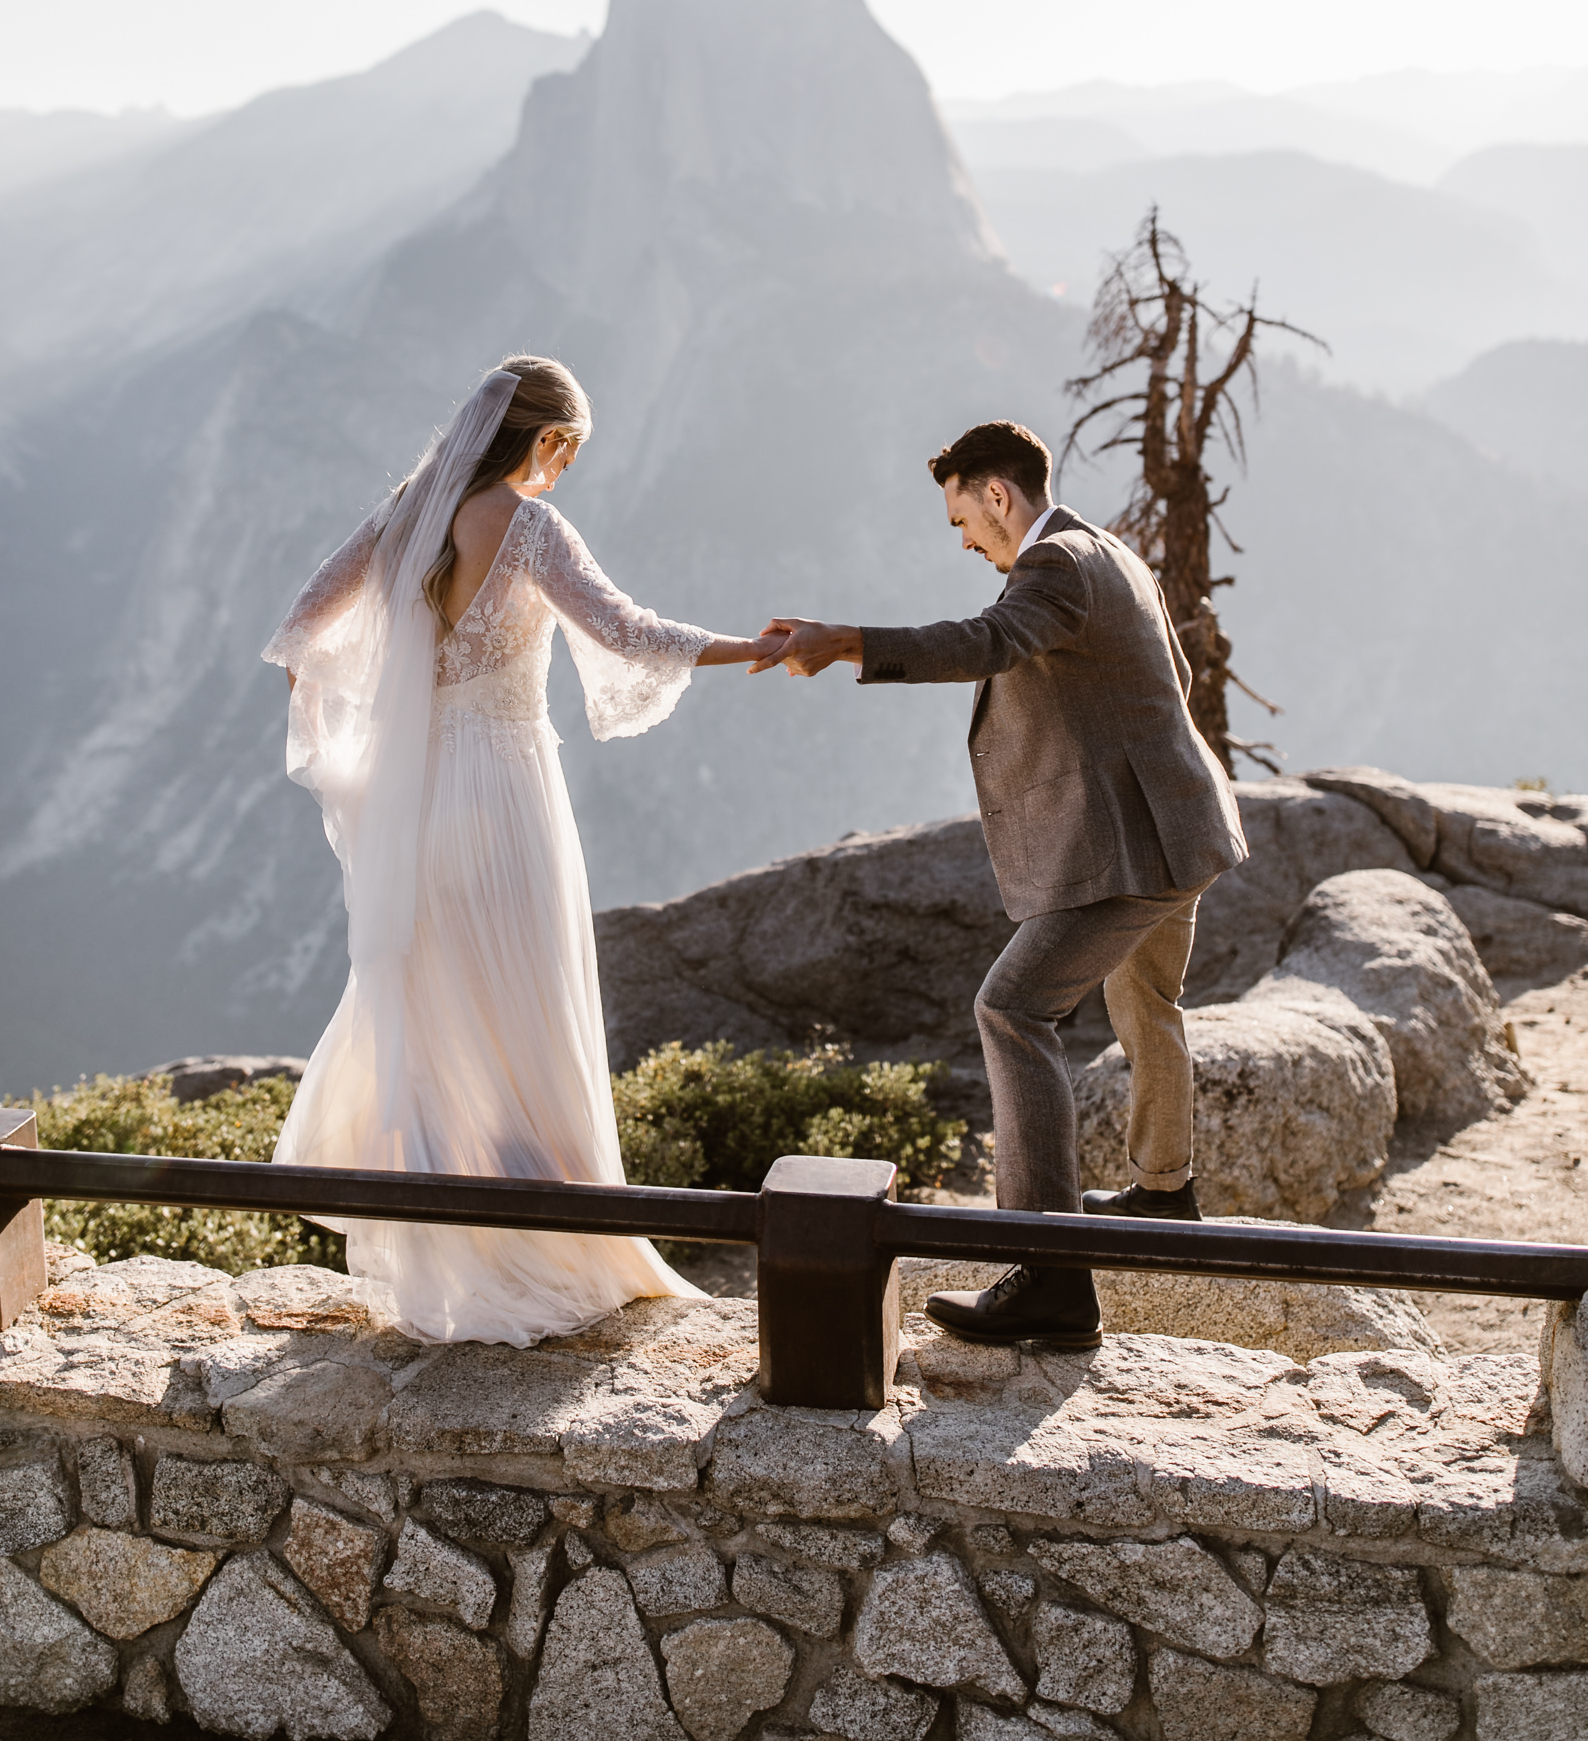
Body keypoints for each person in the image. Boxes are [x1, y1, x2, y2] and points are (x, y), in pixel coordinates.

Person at [263, 355, 781, 1346]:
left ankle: (454, 1256)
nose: (562, 472)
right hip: (505, 794)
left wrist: (342, 719)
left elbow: (301, 628)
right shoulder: (529, 526)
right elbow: (624, 630)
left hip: (418, 803)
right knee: (528, 1011)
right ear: (541, 439)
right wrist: (746, 648)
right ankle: (555, 1245)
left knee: (446, 1011)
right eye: (565, 450)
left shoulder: (409, 516)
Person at [756, 417, 1247, 1349]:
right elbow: (1168, 678)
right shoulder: (1110, 550)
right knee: (1144, 995)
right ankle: (1163, 1190)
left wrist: (845, 640)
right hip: (1182, 827)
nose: (968, 543)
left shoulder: (1052, 564)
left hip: (1137, 848)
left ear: (996, 494)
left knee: (1012, 1010)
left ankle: (1047, 1273)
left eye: (963, 522)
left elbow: (985, 643)